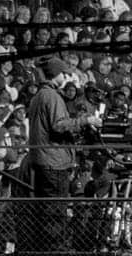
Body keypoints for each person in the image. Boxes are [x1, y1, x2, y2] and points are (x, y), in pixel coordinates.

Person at [26, 57, 93, 250]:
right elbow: (58, 125)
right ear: (55, 74)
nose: (66, 76)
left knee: (48, 210)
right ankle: (54, 249)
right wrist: (84, 121)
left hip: (44, 159)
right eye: (64, 73)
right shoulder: (52, 96)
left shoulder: (39, 95)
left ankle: (48, 247)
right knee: (55, 212)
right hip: (53, 162)